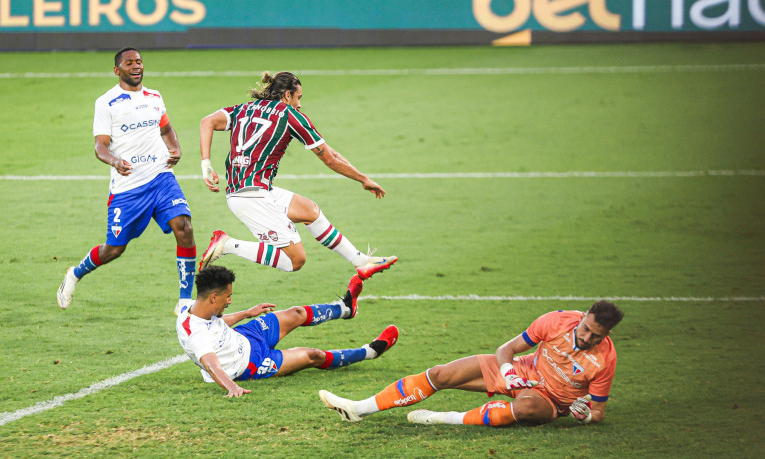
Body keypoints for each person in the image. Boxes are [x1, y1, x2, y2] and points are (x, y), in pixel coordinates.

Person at [197, 71, 396, 280]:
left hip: (251, 191)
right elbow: (329, 158)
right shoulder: (290, 116)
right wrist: (363, 179)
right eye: (298, 97)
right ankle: (227, 244)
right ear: (287, 95)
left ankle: (361, 262)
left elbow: (206, 122)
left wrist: (206, 164)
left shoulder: (242, 109)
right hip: (252, 197)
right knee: (295, 260)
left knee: (310, 211)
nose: (299, 104)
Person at [319, 301, 624, 427]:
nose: (584, 337)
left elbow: (599, 411)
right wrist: (508, 371)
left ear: (606, 334)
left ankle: (442, 418)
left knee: (527, 409)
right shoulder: (557, 321)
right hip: (523, 372)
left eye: (593, 335)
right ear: (583, 316)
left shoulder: (605, 359)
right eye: (584, 327)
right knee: (441, 374)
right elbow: (508, 349)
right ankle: (358, 409)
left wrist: (585, 416)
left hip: (550, 400)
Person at [57, 47, 196, 312]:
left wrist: (175, 148)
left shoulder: (155, 96)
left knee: (185, 228)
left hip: (161, 177)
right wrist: (114, 161)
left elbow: (166, 128)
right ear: (117, 70)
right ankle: (75, 273)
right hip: (129, 187)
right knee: (114, 249)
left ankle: (185, 300)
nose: (136, 66)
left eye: (139, 61)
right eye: (129, 62)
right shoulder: (106, 102)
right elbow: (100, 147)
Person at [176, 265, 399, 396]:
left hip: (247, 334)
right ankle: (370, 352)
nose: (230, 301)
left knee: (297, 313)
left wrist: (246, 313)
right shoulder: (195, 335)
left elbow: (217, 324)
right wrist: (232, 387)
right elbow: (211, 364)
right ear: (214, 297)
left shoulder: (199, 308)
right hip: (250, 364)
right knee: (314, 355)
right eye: (228, 297)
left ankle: (346, 308)